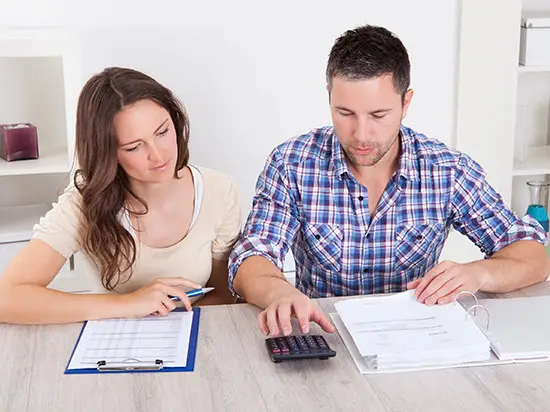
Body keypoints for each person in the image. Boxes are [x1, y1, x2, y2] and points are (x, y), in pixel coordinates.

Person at [228, 25, 549, 337]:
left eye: (378, 115)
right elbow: (252, 256)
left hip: (416, 341)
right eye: (345, 113)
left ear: (405, 103)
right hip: (325, 337)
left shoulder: (447, 169)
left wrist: (476, 273)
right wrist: (278, 293)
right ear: (329, 96)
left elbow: (533, 257)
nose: (361, 134)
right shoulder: (292, 163)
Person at [0, 67, 241, 324]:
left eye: (162, 132)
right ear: (108, 153)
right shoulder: (84, 203)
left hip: (198, 337)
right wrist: (129, 303)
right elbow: (6, 298)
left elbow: (224, 294)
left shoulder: (219, 191)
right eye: (134, 147)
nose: (158, 156)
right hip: (115, 346)